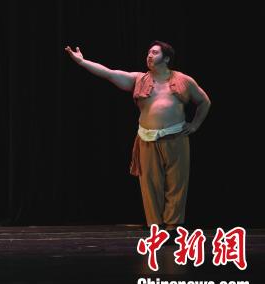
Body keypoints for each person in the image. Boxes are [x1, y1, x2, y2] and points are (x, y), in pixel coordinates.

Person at [65, 41, 211, 230]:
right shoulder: (139, 79)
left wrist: (195, 125)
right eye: (149, 52)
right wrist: (82, 62)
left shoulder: (183, 80)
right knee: (150, 184)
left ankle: (173, 227)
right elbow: (109, 73)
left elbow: (204, 101)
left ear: (166, 58)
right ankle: (156, 227)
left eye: (155, 52)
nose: (149, 55)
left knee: (177, 184)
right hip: (147, 139)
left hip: (175, 138)